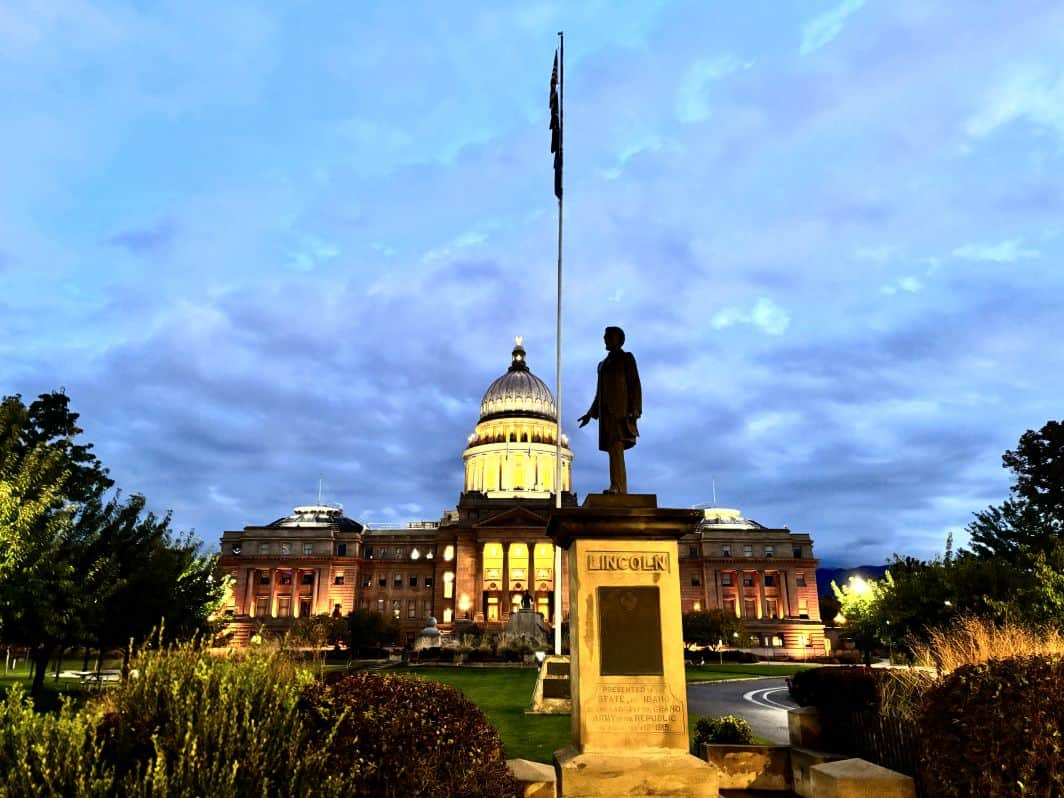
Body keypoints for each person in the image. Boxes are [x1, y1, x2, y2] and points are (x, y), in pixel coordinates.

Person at [578, 326, 641, 494]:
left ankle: (618, 487)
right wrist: (590, 414)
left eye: (608, 336)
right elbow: (599, 393)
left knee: (616, 448)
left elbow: (634, 384)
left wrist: (635, 410)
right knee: (613, 450)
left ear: (618, 339)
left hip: (621, 412)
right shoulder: (602, 365)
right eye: (605, 337)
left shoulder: (626, 358)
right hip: (606, 414)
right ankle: (617, 486)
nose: (605, 339)